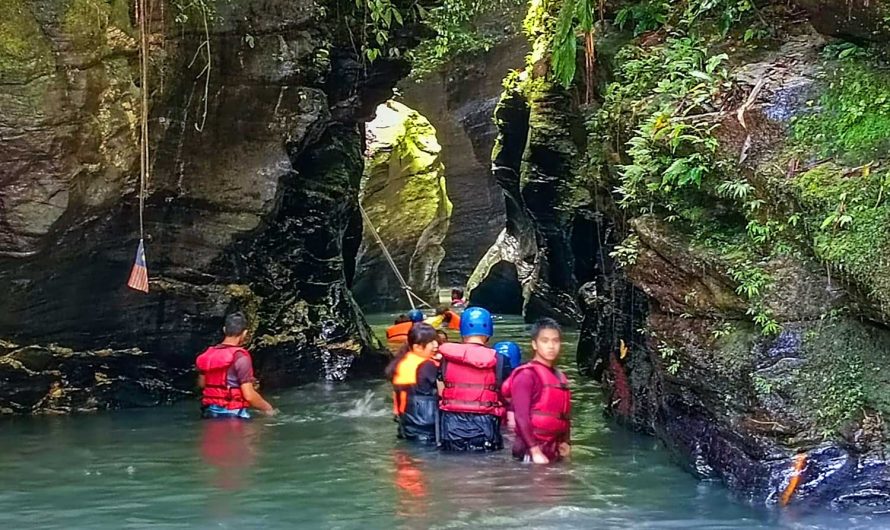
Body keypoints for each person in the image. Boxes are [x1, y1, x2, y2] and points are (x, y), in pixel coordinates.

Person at [501, 318, 571, 464]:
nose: (551, 346)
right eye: (545, 341)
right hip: (529, 453)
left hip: (553, 449)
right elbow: (521, 417)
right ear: (534, 344)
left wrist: (565, 443)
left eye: (555, 341)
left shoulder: (560, 377)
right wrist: (535, 450)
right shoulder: (526, 375)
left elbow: (565, 417)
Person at [437, 306, 505, 452]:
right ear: (489, 331)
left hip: (451, 422)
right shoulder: (498, 359)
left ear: (462, 330)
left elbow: (441, 390)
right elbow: (506, 393)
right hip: (485, 422)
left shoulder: (446, 358)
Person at [196, 312, 276, 419]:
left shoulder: (207, 355)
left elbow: (202, 384)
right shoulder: (240, 357)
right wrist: (268, 409)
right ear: (244, 333)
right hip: (233, 414)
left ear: (224, 330)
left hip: (209, 413)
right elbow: (249, 395)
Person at [389, 323, 441, 443]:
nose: (436, 345)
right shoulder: (427, 365)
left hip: (405, 422)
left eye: (436, 340)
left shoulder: (403, 362)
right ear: (417, 347)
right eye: (431, 342)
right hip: (425, 425)